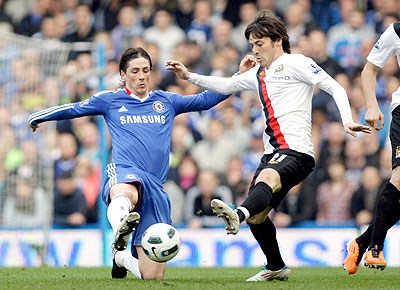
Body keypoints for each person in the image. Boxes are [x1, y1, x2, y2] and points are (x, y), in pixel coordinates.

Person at [166, 10, 371, 282]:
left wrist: (347, 120)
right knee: (258, 216)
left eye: (259, 44)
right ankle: (275, 266)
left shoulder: (297, 62)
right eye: (252, 45)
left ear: (278, 41)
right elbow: (226, 85)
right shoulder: (258, 74)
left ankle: (236, 214)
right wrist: (189, 75)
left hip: (297, 152)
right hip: (272, 153)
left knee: (265, 181)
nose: (255, 50)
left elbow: (335, 87)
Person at [28, 47, 248, 280]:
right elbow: (74, 109)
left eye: (146, 70)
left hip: (156, 187)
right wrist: (38, 116)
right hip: (126, 170)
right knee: (124, 193)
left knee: (151, 276)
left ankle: (120, 256)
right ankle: (121, 227)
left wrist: (239, 76)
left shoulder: (166, 101)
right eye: (135, 71)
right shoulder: (110, 100)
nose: (141, 76)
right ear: (123, 74)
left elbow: (206, 100)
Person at [343, 21, 400, 274]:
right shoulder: (397, 31)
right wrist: (372, 105)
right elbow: (369, 70)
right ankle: (375, 246)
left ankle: (361, 242)